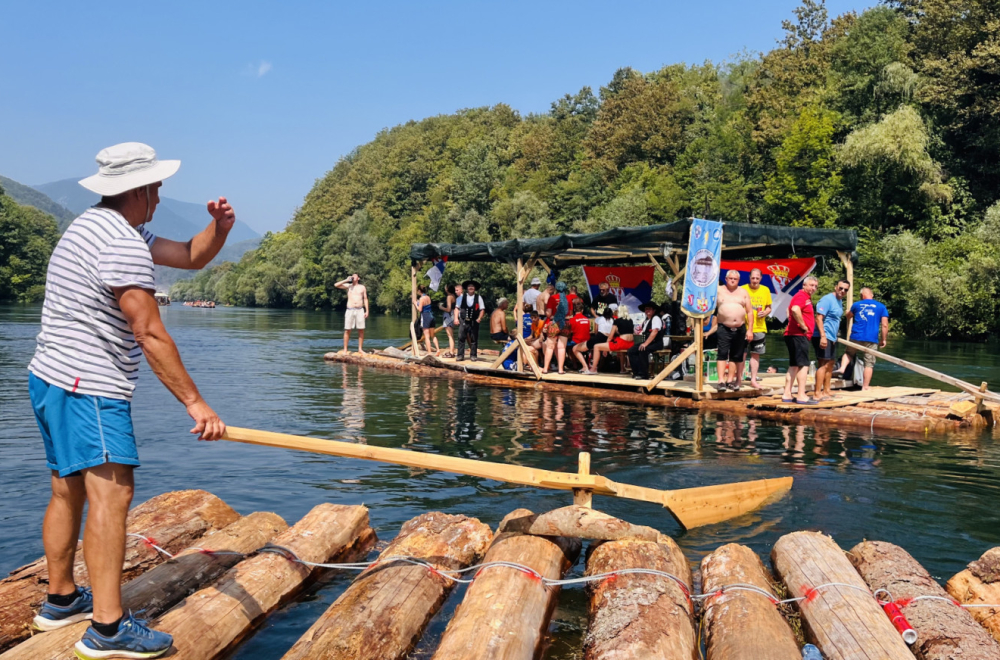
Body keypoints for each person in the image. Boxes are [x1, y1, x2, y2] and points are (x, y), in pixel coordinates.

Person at [28, 143, 232, 658]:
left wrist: (221, 230)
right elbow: (148, 331)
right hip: (89, 387)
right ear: (137, 189)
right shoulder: (119, 241)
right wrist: (196, 403)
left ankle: (60, 600)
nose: (161, 195)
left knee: (66, 489)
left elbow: (189, 255)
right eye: (157, 187)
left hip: (50, 378)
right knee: (113, 496)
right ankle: (109, 629)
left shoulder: (98, 228)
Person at [839, 287, 890, 390]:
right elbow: (884, 325)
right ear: (872, 295)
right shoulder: (881, 306)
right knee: (869, 363)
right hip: (871, 338)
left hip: (856, 336)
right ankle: (865, 387)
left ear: (862, 295)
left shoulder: (857, 305)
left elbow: (848, 316)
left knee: (849, 353)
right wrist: (883, 339)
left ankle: (842, 368)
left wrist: (847, 312)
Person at [782, 276, 819, 404]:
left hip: (793, 334)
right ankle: (801, 395)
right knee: (803, 365)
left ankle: (787, 394)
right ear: (804, 285)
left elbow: (789, 309)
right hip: (798, 335)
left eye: (815, 286)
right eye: (811, 285)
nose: (813, 288)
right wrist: (803, 326)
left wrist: (792, 321)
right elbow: (794, 309)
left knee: (794, 365)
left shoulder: (803, 297)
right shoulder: (801, 296)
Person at [715, 270, 754, 391]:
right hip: (723, 327)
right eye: (730, 278)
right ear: (726, 279)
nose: (732, 280)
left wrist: (750, 330)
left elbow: (750, 311)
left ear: (738, 280)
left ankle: (730, 380)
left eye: (735, 279)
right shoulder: (718, 290)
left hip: (740, 328)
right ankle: (721, 380)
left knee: (736, 355)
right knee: (722, 353)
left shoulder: (743, 292)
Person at [812, 280, 849, 400]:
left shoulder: (840, 301)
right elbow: (818, 318)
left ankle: (827, 391)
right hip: (822, 335)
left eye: (845, 290)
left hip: (831, 337)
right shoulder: (827, 299)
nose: (842, 291)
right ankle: (817, 393)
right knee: (823, 364)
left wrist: (833, 338)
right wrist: (823, 336)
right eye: (841, 288)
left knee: (830, 363)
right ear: (836, 287)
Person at [742, 268, 773, 389]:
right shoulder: (743, 289)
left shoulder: (765, 290)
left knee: (755, 354)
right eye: (753, 278)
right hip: (743, 327)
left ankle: (753, 380)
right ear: (749, 278)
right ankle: (739, 379)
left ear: (761, 278)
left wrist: (765, 312)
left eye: (757, 278)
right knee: (742, 354)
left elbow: (769, 307)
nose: (755, 280)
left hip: (760, 327)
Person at [586, 305, 634, 374]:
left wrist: (606, 349)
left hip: (622, 343)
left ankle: (593, 369)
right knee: (621, 351)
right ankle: (622, 369)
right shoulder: (630, 321)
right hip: (630, 343)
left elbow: (610, 336)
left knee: (596, 346)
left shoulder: (617, 321)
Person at [335, 273, 369, 354]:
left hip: (360, 310)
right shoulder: (348, 286)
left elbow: (365, 299)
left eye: (355, 276)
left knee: (361, 330)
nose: (353, 277)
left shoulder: (362, 287)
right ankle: (345, 349)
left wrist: (367, 310)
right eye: (352, 276)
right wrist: (347, 280)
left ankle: (360, 349)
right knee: (347, 330)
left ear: (358, 278)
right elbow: (336, 285)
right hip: (350, 310)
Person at [629, 302, 664, 380]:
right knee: (631, 351)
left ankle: (644, 374)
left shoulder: (656, 318)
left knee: (643, 350)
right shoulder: (647, 320)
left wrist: (645, 344)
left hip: (656, 343)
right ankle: (636, 372)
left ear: (654, 310)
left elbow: (655, 331)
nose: (647, 311)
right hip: (649, 342)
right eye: (646, 309)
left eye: (649, 309)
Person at [454, 280, 485, 361]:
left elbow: (482, 309)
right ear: (467, 288)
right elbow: (457, 308)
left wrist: (479, 318)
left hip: (474, 321)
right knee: (461, 338)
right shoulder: (461, 297)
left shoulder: (479, 297)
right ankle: (460, 355)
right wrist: (456, 318)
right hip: (463, 320)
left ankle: (473, 355)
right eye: (469, 286)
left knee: (474, 339)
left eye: (472, 286)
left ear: (474, 288)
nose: (471, 288)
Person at [413, 284, 438, 357]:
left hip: (425, 316)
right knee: (433, 335)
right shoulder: (428, 297)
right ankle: (438, 349)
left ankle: (429, 352)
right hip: (431, 316)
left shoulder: (422, 298)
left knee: (427, 336)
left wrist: (415, 303)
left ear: (419, 291)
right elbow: (426, 305)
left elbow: (420, 309)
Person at [567, 299, 592, 371]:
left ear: (574, 310)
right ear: (582, 310)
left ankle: (575, 364)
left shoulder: (572, 320)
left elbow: (569, 332)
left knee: (566, 347)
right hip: (587, 340)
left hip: (577, 340)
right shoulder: (587, 319)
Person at [439, 284, 457, 358]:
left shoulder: (449, 297)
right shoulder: (454, 296)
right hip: (453, 315)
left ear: (447, 289)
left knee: (449, 335)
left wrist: (441, 307)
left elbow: (448, 309)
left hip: (448, 315)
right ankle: (452, 351)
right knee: (451, 335)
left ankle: (451, 352)